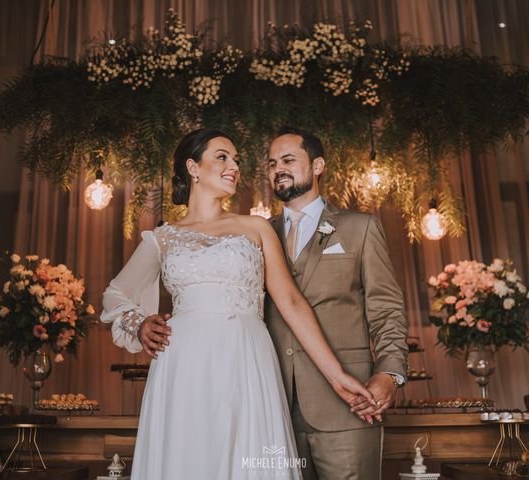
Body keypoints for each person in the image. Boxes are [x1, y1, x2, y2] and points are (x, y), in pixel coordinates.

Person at [100, 128, 375, 479]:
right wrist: (138, 324)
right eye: (222, 157)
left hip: (246, 358)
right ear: (193, 167)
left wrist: (338, 378)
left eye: (237, 160)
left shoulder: (255, 228)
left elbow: (291, 302)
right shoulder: (163, 237)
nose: (234, 166)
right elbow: (114, 295)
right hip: (183, 364)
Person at [265, 126, 409, 479]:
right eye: (271, 164)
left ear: (317, 166)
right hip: (273, 405)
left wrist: (390, 374)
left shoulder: (360, 228)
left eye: (287, 160)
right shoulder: (258, 236)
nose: (277, 169)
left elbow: (387, 310)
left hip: (349, 403)